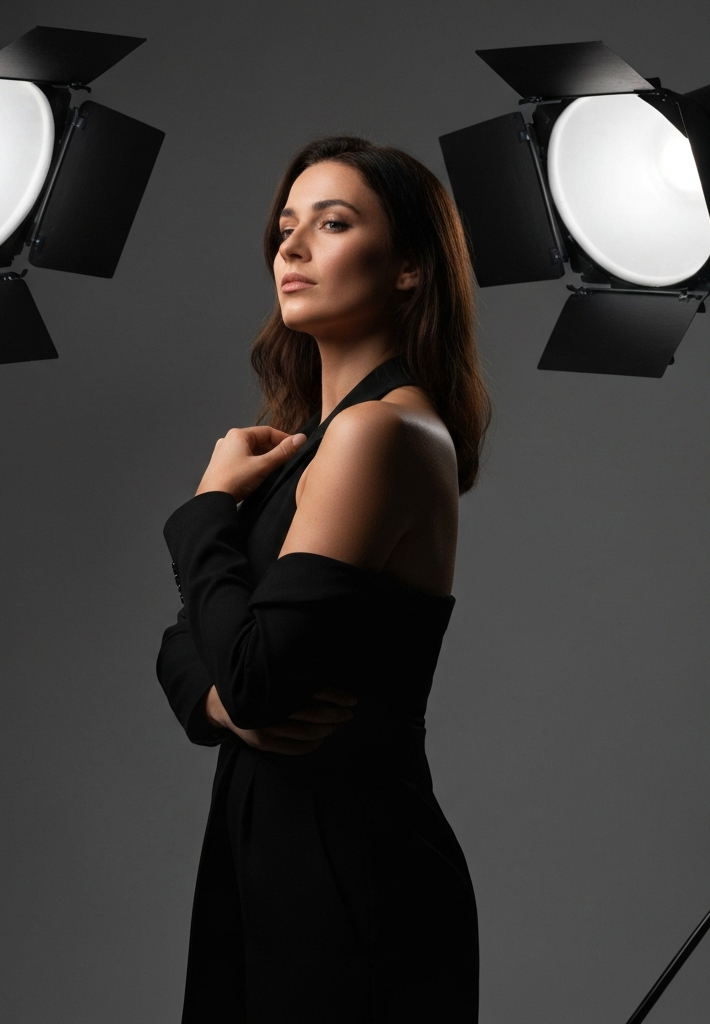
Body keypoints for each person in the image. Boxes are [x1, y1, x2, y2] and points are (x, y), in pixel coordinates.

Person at [156, 135, 491, 1023]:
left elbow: (253, 672)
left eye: (332, 224)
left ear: (409, 266)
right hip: (266, 859)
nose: (292, 249)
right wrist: (221, 703)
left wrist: (207, 508)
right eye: (285, 229)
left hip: (348, 871)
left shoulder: (381, 432)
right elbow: (188, 645)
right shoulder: (311, 443)